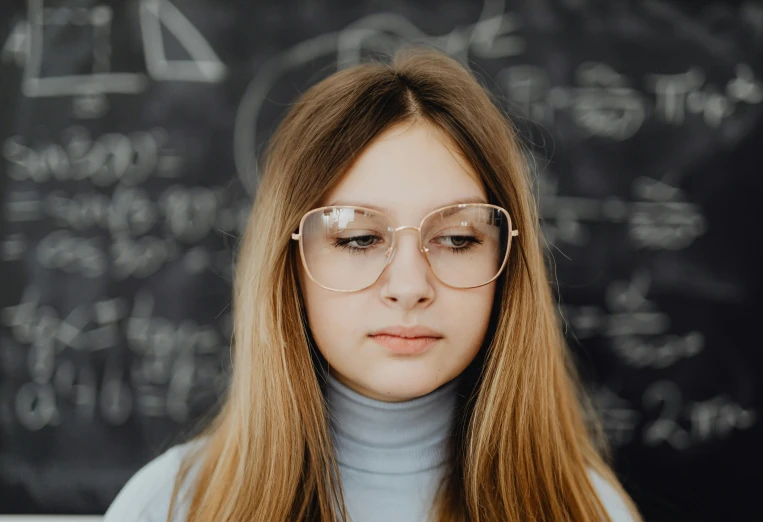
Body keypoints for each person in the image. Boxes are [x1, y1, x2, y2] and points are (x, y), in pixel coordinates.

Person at [104, 46, 644, 522]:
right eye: (358, 238)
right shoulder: (166, 508)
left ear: (506, 259)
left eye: (457, 239)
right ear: (288, 263)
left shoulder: (592, 511)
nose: (409, 286)